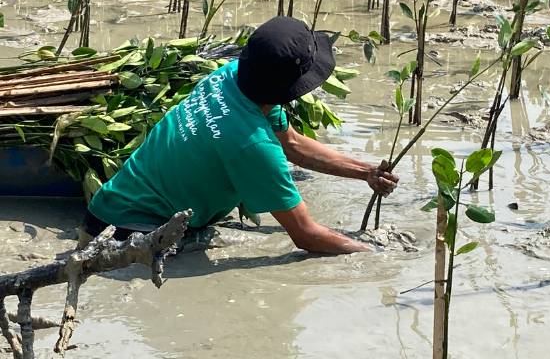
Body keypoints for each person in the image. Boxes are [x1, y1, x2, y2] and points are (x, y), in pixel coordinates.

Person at [83, 16, 399, 254]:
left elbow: (292, 143)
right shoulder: (252, 144)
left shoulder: (231, 78)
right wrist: (374, 252)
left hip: (103, 210)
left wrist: (366, 172)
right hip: (129, 235)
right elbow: (304, 235)